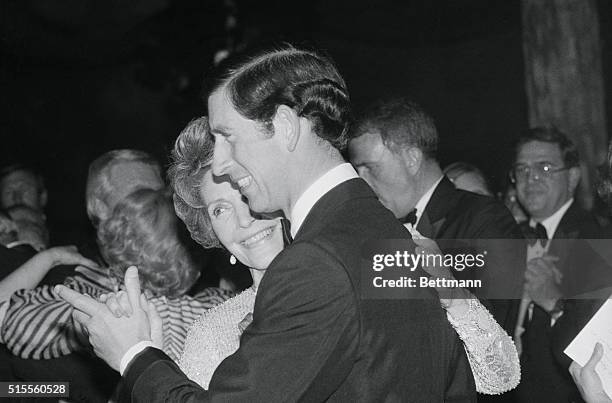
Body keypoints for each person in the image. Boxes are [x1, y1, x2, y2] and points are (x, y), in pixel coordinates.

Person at [59, 46, 476, 402]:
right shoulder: (382, 230)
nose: (221, 163)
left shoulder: (315, 261)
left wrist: (134, 354)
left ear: (284, 127)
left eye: (229, 137)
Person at [98, 116, 519, 394]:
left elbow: (499, 376)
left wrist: (447, 289)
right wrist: (146, 352)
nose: (244, 220)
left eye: (244, 194)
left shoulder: (369, 269)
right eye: (220, 209)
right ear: (209, 229)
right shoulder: (214, 331)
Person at [348, 97, 525, 335]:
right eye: (357, 171)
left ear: (412, 159)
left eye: (370, 168)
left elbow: (493, 330)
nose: (362, 182)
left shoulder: (485, 218)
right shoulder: (373, 227)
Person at [511, 127, 612, 402]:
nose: (531, 178)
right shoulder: (506, 235)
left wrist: (554, 304)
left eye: (544, 167)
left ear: (573, 176)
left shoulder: (596, 239)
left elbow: (602, 350)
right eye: (521, 169)